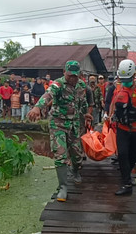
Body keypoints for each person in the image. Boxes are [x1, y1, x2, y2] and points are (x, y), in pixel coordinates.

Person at [28, 60, 91, 202]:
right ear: (64, 73)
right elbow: (48, 95)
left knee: (77, 155)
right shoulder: (58, 84)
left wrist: (86, 114)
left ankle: (75, 170)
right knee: (60, 154)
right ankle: (63, 187)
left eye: (75, 76)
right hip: (58, 124)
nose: (72, 79)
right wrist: (38, 107)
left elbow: (83, 102)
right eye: (70, 76)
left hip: (74, 124)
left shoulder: (81, 85)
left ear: (79, 75)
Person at [110, 59, 136, 196]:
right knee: (122, 154)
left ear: (133, 75)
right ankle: (126, 183)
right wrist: (109, 115)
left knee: (133, 156)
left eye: (127, 79)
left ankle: (127, 175)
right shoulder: (119, 87)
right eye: (122, 79)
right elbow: (113, 102)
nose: (124, 81)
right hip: (122, 127)